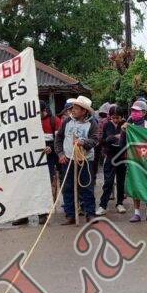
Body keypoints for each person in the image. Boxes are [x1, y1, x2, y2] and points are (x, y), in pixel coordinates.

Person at [54, 96, 100, 225]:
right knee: (68, 188)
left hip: (85, 160)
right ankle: (70, 215)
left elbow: (95, 140)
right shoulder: (67, 121)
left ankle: (90, 213)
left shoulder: (92, 123)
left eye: (76, 108)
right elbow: (59, 138)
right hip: (68, 159)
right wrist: (60, 154)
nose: (73, 110)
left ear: (84, 111)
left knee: (87, 187)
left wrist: (83, 142)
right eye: (73, 108)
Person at [121, 100, 147, 223]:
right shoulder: (128, 124)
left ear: (143, 112)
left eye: (137, 111)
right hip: (133, 161)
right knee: (135, 185)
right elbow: (121, 144)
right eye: (133, 110)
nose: (134, 113)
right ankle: (136, 213)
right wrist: (123, 131)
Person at [97, 105, 127, 215]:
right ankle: (102, 205)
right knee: (108, 182)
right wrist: (116, 137)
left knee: (120, 181)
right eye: (113, 117)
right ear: (110, 116)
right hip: (109, 156)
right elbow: (103, 140)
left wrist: (114, 137)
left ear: (122, 117)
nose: (115, 120)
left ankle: (120, 203)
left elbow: (127, 140)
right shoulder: (106, 125)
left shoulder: (126, 125)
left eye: (118, 118)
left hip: (122, 157)